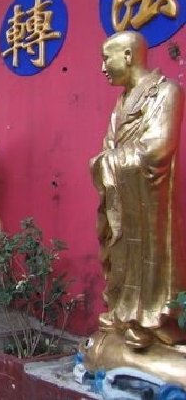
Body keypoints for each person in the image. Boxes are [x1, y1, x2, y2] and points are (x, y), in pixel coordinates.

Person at [90, 30, 186, 349]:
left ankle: (153, 319)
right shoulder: (120, 103)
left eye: (107, 58)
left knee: (151, 255)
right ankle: (124, 313)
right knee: (120, 251)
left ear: (128, 56)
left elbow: (159, 148)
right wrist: (105, 161)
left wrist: (107, 162)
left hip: (151, 200)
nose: (103, 67)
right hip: (123, 196)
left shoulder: (167, 91)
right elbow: (108, 146)